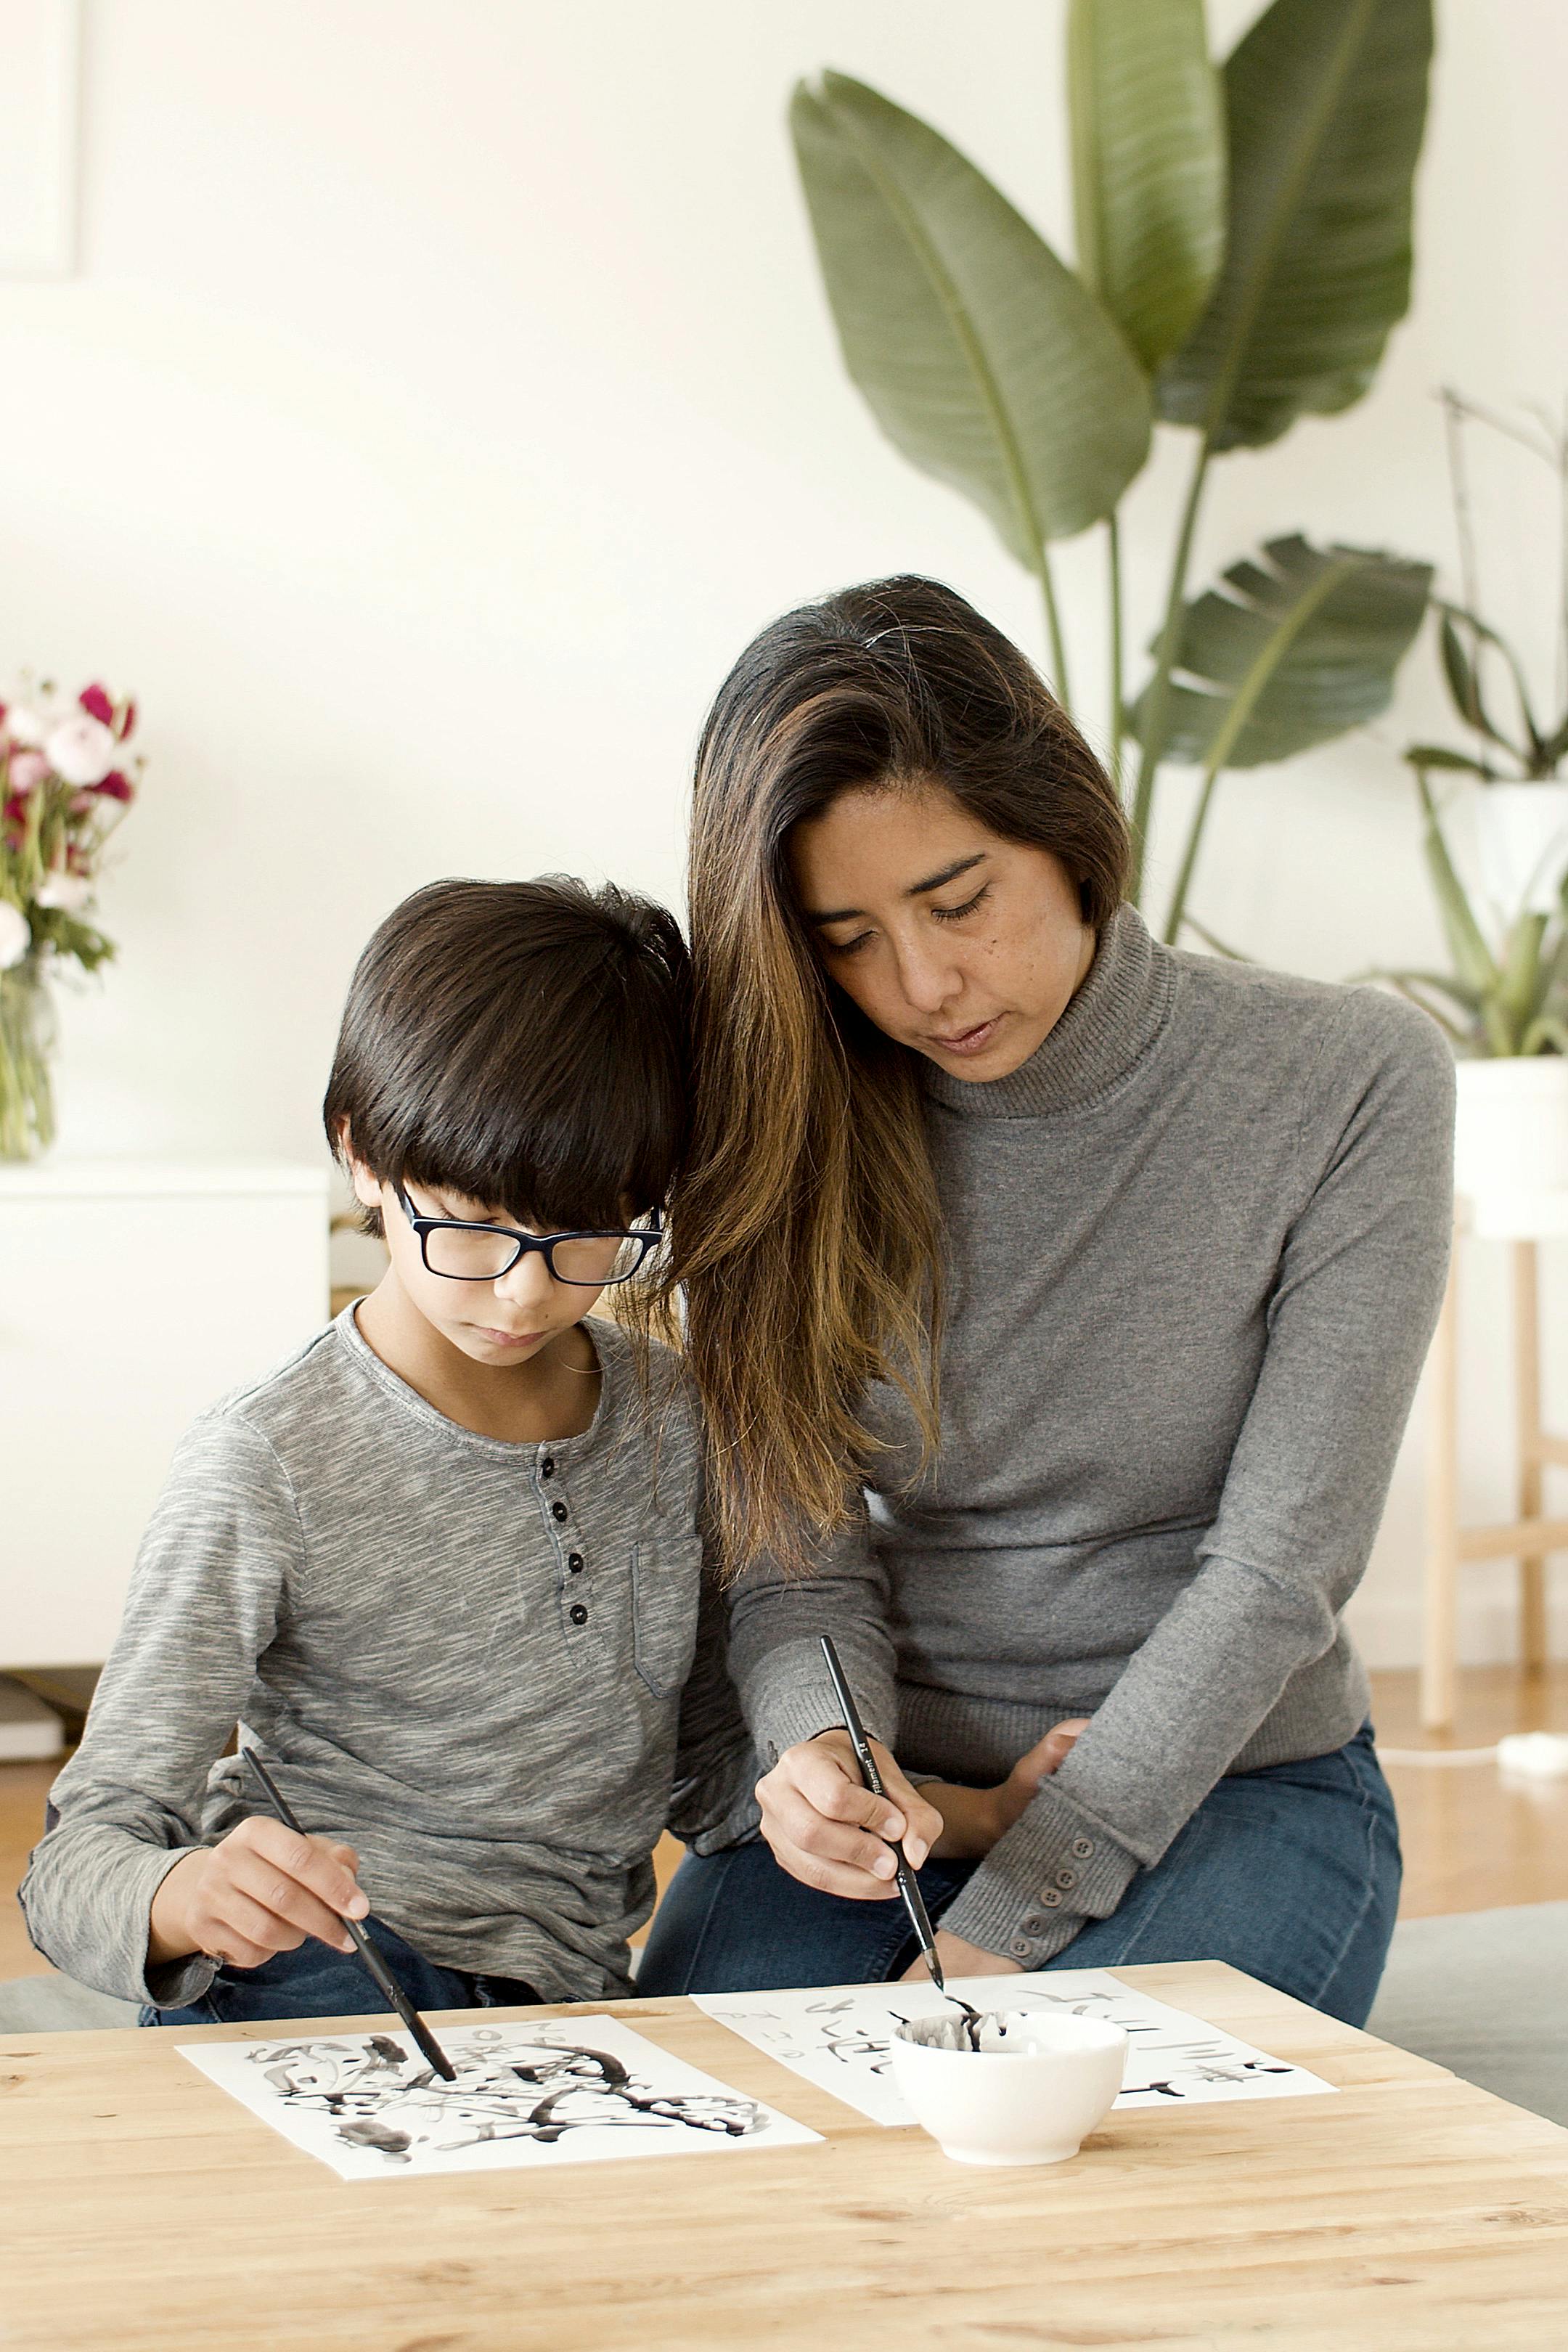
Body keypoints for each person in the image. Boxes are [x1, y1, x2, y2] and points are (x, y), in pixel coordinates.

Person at [637, 576, 1454, 2025]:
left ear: (1065, 833)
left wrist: (1015, 1912)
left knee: (1062, 2149)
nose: (928, 983)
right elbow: (798, 1567)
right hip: (914, 1792)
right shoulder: (782, 1124)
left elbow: (1281, 1570)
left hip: (1233, 1787)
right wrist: (830, 1757)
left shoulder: (1348, 1079)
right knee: (728, 2125)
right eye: (849, 939)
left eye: (960, 901)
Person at [22, 877, 749, 2022]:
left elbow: (717, 1775)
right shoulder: (264, 1458)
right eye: (469, 1223)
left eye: (584, 1236)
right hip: (324, 1968)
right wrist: (187, 1895)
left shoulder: (673, 1417)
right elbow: (75, 1862)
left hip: (561, 2005)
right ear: (359, 1153)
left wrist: (946, 1813)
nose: (522, 1293)